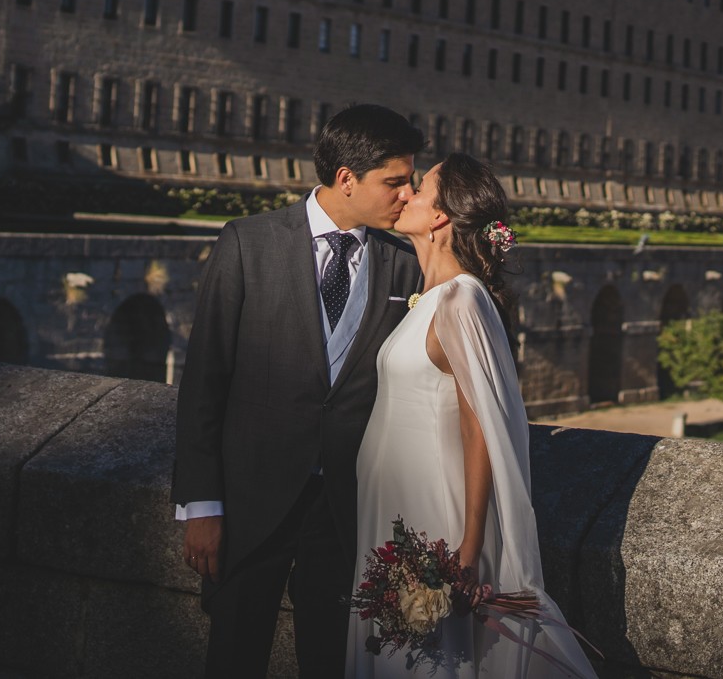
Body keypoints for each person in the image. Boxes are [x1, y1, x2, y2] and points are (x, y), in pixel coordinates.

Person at [172, 104, 427, 678]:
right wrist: (201, 506)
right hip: (250, 503)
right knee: (233, 656)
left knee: (332, 663)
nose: (406, 194)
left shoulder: (405, 264)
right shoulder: (247, 243)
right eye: (394, 182)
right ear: (346, 179)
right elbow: (205, 382)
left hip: (346, 512)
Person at [349, 153, 598, 678]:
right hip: (395, 506)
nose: (404, 195)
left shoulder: (462, 299)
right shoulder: (432, 298)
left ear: (439, 217)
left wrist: (467, 546)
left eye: (417, 191)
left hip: (433, 513)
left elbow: (481, 425)